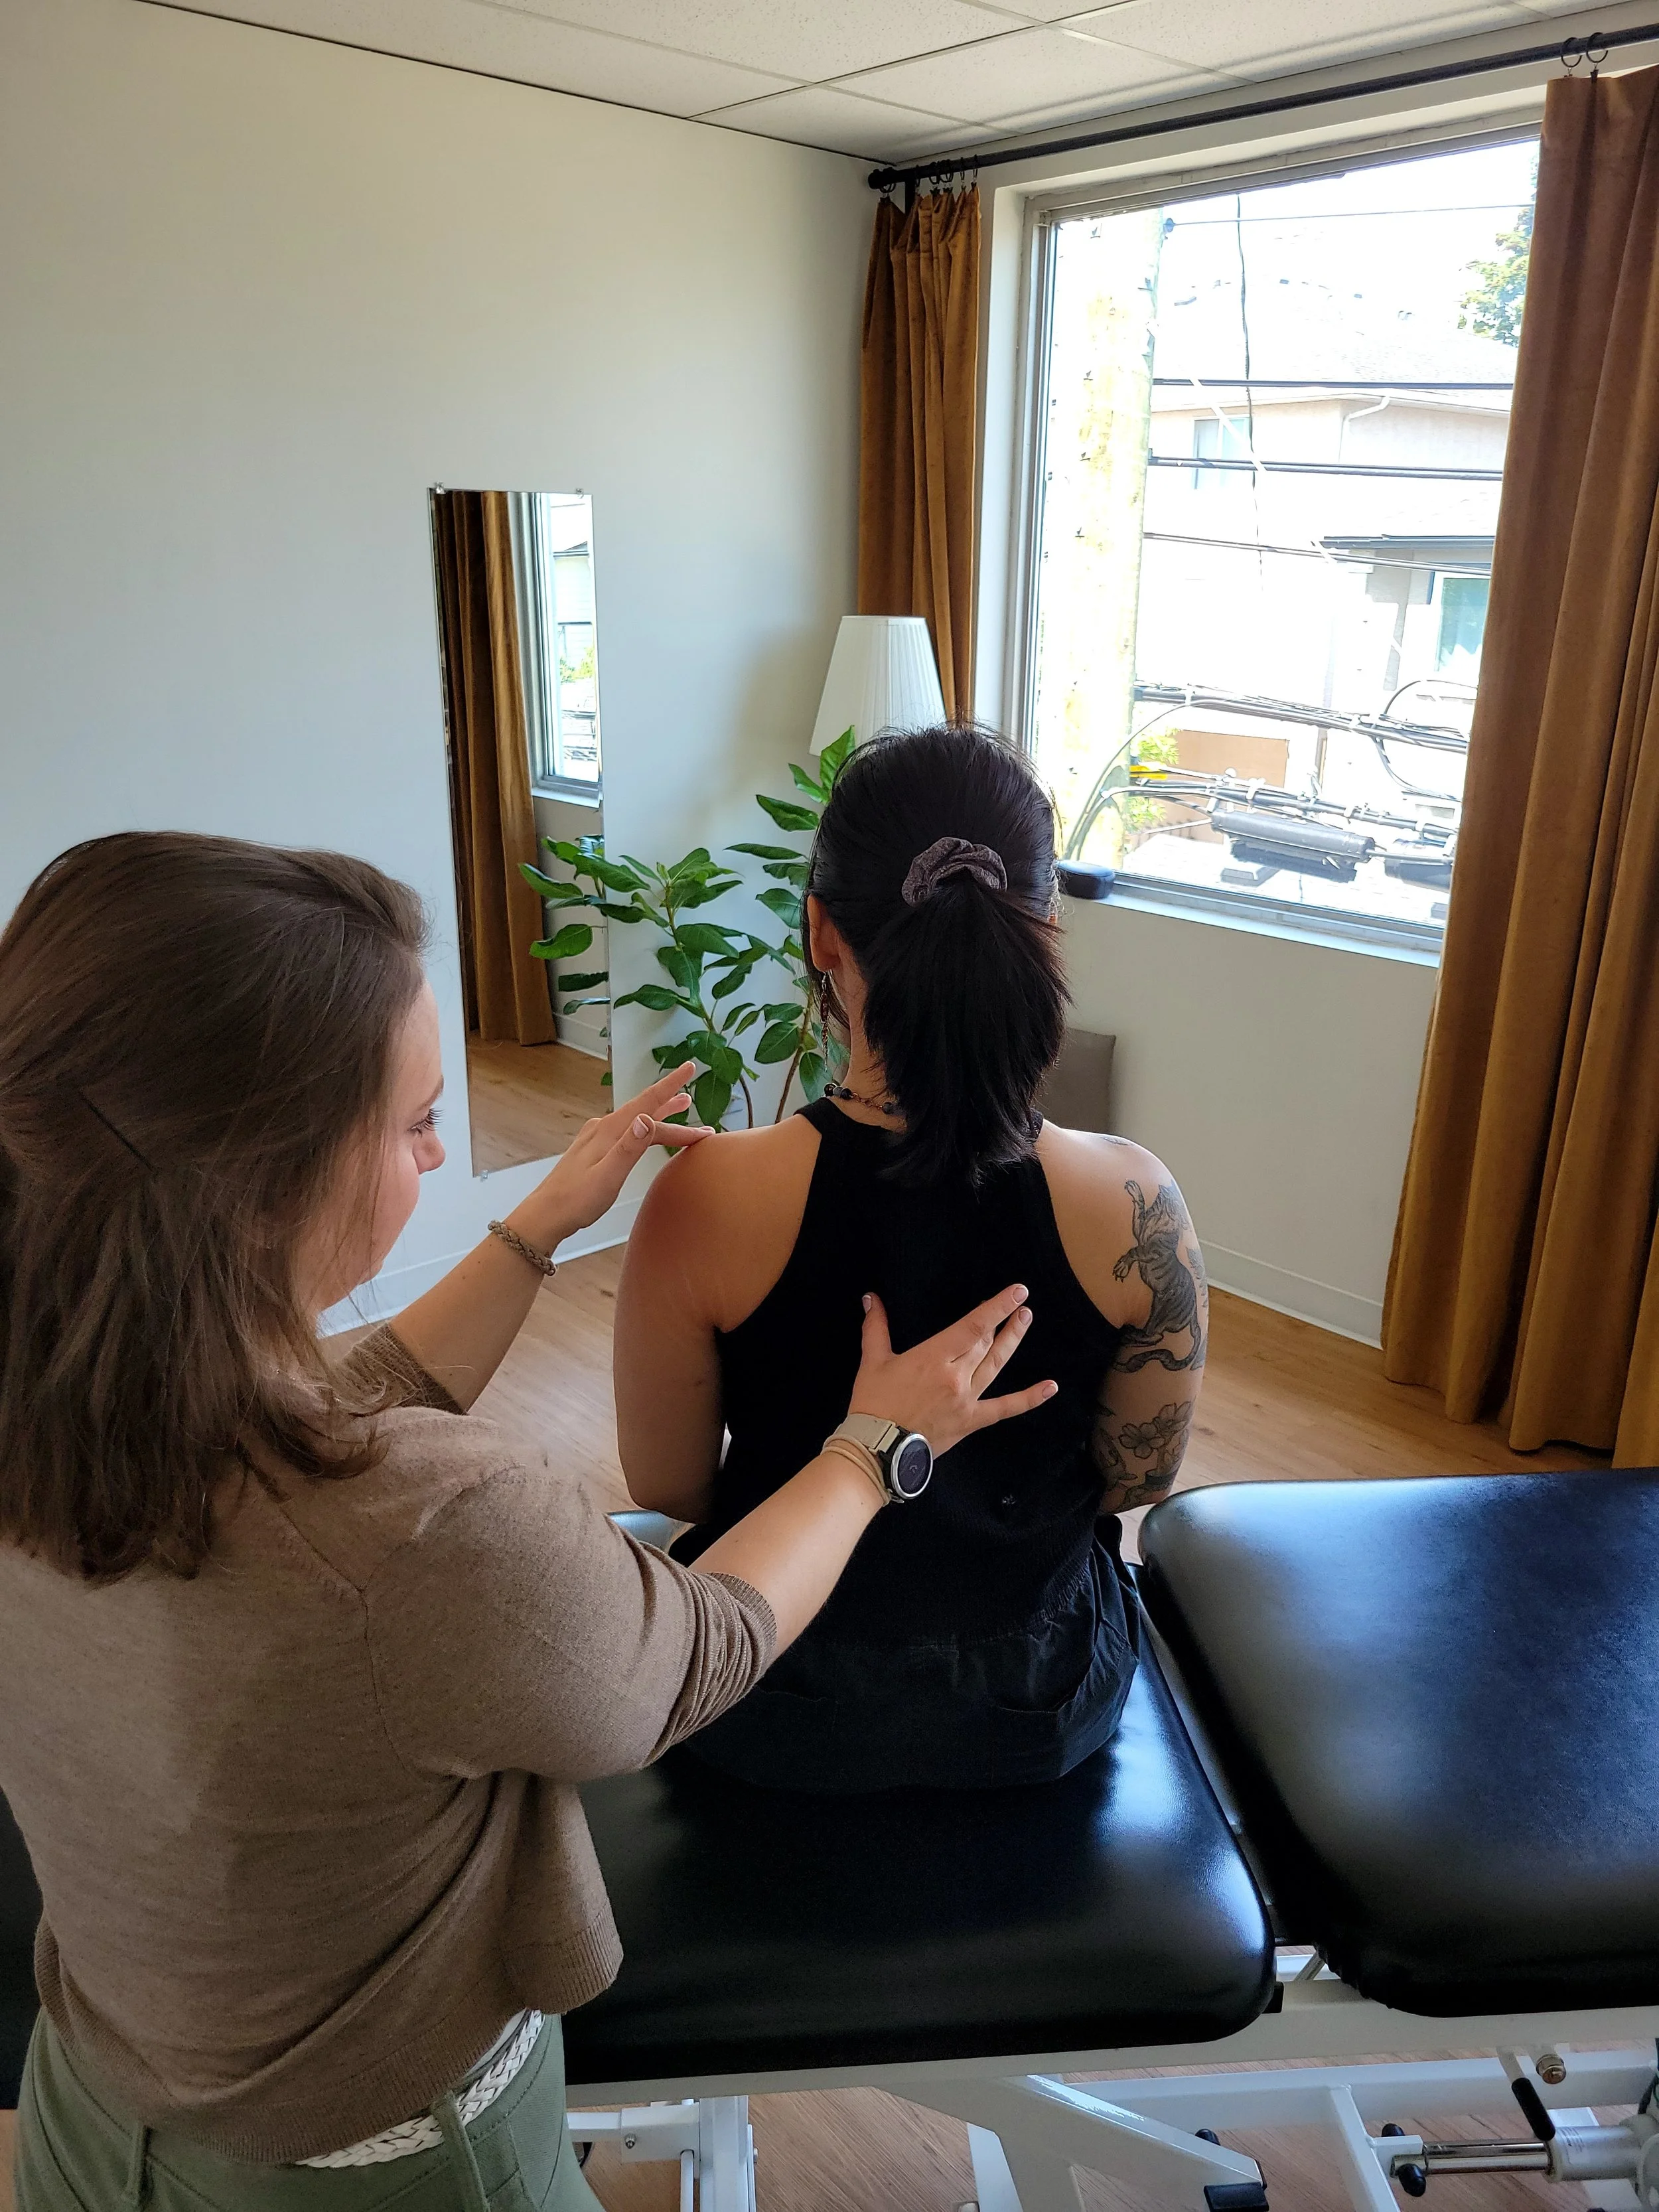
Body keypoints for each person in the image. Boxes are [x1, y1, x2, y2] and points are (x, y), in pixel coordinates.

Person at [0, 830, 1054, 2211]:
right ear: (263, 1184)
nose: (441, 1156)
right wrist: (872, 1448)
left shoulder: (64, 1396)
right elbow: (691, 1650)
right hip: (382, 2167)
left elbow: (306, 1440)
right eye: (414, 1123)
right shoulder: (434, 1529)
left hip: (93, 2097)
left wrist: (536, 1228)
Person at [614, 725, 1208, 1794]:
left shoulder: (704, 1198)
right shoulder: (1135, 1202)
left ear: (821, 933)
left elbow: (671, 1484)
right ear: (1046, 928)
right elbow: (1136, 1479)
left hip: (768, 1687)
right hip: (1034, 1699)